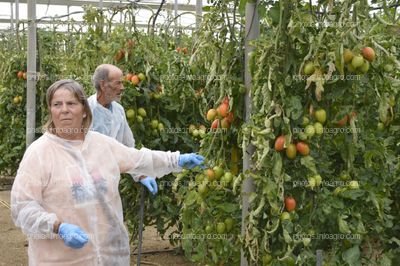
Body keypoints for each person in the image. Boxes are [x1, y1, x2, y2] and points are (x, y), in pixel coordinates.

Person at [10, 79, 204, 265]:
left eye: (71, 103)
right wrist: (58, 227)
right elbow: (22, 206)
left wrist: (176, 160)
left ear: (84, 110)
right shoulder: (39, 153)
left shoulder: (101, 144)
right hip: (61, 259)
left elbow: (139, 158)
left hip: (111, 255)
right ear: (50, 110)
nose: (64, 110)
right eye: (57, 104)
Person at [88, 64, 157, 194]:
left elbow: (128, 146)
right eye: (118, 83)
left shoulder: (119, 110)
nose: (122, 88)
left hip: (110, 183)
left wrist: (140, 175)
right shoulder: (85, 111)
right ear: (103, 85)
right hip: (85, 184)